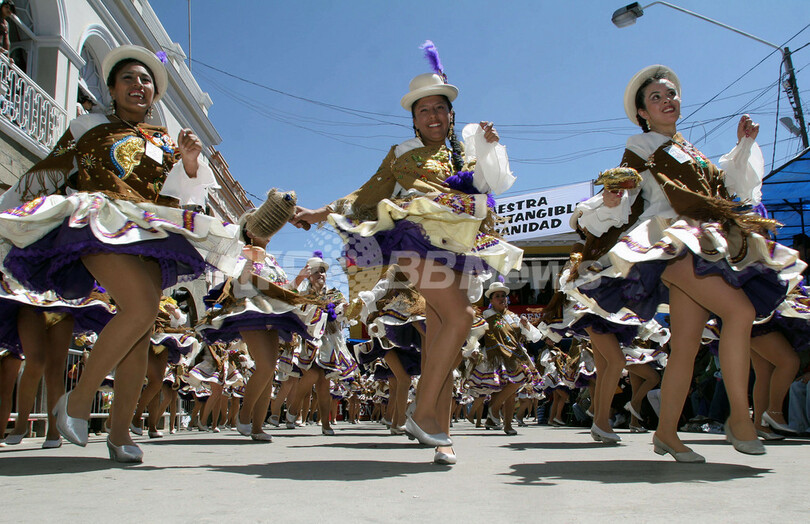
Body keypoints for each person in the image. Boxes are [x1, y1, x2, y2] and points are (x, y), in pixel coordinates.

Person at [0, 45, 239, 462]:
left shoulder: (164, 140)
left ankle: (120, 433)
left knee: (143, 327)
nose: (138, 85)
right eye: (128, 78)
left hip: (148, 228)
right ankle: (76, 402)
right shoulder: (87, 125)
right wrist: (10, 213)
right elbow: (48, 172)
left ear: (154, 94)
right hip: (97, 221)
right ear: (111, 88)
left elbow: (178, 198)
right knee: (141, 307)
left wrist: (188, 163)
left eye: (146, 80)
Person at [291, 41, 522, 453]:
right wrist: (318, 213)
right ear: (414, 119)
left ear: (451, 115)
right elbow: (365, 194)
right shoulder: (401, 154)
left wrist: (488, 151)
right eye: (423, 110)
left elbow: (487, 190)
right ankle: (421, 412)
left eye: (439, 108)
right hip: (412, 236)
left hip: (461, 244)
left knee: (442, 345)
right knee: (461, 317)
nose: (433, 116)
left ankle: (441, 436)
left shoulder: (464, 155)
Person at [569, 65, 805, 461]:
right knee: (740, 311)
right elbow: (625, 191)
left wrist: (743, 146)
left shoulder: (689, 149)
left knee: (686, 348)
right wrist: (610, 202)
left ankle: (666, 434)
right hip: (673, 242)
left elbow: (726, 188)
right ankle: (740, 418)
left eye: (671, 94)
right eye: (657, 98)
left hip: (706, 239)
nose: (667, 101)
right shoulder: (641, 145)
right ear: (643, 112)